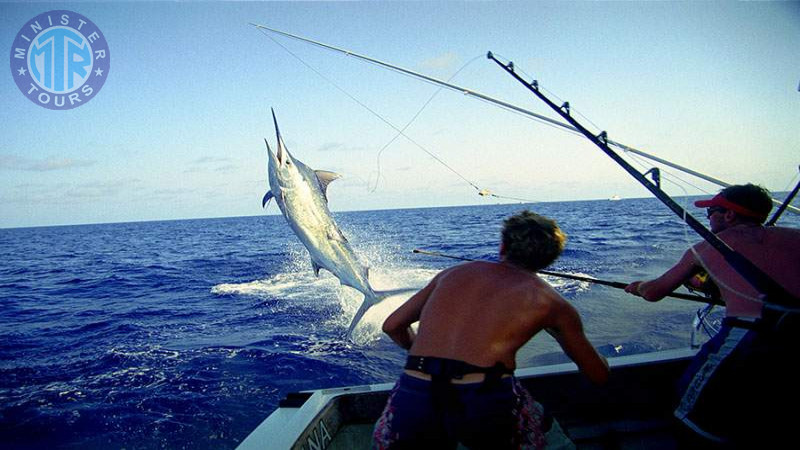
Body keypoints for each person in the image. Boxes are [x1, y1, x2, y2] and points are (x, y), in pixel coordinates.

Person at [373, 210, 609, 449]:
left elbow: (393, 326)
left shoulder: (452, 274)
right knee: (543, 426)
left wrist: (421, 351)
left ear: (503, 246)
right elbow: (597, 374)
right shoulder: (554, 305)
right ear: (551, 257)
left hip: (415, 389)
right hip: (483, 397)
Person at [625, 183, 800, 447]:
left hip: (749, 336)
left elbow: (654, 292)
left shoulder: (705, 248)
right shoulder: (795, 237)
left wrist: (638, 286)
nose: (708, 219)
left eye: (712, 212)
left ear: (729, 215)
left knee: (690, 415)